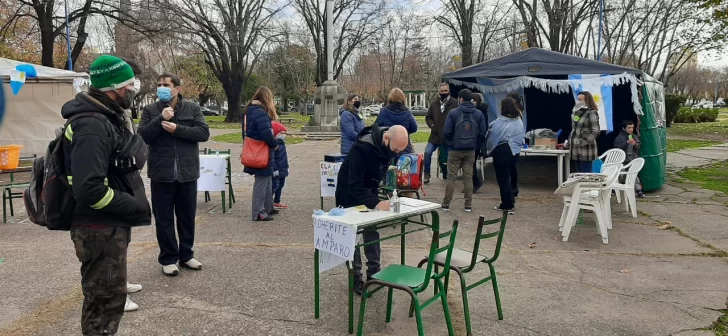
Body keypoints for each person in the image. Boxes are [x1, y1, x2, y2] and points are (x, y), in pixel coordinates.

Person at [62, 55, 151, 335]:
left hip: (107, 224)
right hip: (98, 227)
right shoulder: (92, 125)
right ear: (114, 87)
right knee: (103, 301)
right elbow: (89, 188)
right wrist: (131, 205)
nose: (131, 92)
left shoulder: (104, 117)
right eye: (128, 86)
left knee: (109, 297)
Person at [138, 72, 209, 276]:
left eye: (166, 84)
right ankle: (168, 258)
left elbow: (203, 133)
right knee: (164, 218)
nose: (162, 87)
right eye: (159, 84)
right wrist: (161, 119)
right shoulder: (150, 110)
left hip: (187, 172)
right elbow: (143, 135)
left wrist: (177, 129)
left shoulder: (192, 108)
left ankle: (186, 254)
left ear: (177, 89)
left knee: (187, 216)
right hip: (162, 173)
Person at [335, 124, 409, 295]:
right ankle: (356, 278)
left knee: (372, 231)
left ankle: (374, 273)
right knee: (352, 238)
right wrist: (376, 203)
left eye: (400, 151)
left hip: (369, 190)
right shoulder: (362, 148)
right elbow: (354, 186)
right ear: (386, 138)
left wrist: (387, 194)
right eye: (395, 150)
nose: (396, 154)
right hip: (348, 193)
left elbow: (377, 176)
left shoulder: (389, 148)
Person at [441, 89, 487, 212]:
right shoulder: (478, 114)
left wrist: (451, 143)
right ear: (471, 99)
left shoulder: (453, 113)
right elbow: (483, 132)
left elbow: (446, 131)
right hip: (470, 150)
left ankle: (446, 204)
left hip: (454, 149)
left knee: (451, 177)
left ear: (460, 99)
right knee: (468, 177)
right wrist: (475, 145)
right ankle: (468, 205)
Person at [243, 87, 280, 221]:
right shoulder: (260, 113)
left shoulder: (250, 111)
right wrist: (275, 143)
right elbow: (266, 134)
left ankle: (268, 206)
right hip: (261, 152)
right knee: (262, 181)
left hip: (255, 150)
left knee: (267, 179)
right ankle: (259, 211)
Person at [486, 97, 525, 215]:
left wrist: (488, 150)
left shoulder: (499, 122)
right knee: (508, 177)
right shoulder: (519, 120)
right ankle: (510, 199)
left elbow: (492, 137)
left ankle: (507, 205)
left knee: (502, 179)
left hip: (502, 151)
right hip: (515, 151)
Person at [424, 83, 459, 183]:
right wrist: (432, 125)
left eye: (445, 91)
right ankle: (426, 174)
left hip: (448, 136)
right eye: (442, 91)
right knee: (427, 152)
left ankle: (448, 175)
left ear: (449, 91)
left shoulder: (455, 103)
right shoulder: (434, 104)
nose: (444, 93)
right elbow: (428, 117)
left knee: (448, 156)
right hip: (435, 135)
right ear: (439, 92)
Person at [374, 88, 418, 153]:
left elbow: (375, 128)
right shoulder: (407, 112)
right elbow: (414, 128)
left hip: (387, 147)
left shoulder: (384, 111)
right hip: (404, 147)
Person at [567, 91, 600, 173]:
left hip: (586, 149)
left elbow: (595, 131)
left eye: (580, 99)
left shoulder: (591, 112)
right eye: (577, 99)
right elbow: (575, 129)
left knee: (585, 175)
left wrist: (583, 142)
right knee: (578, 174)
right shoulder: (576, 113)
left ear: (586, 101)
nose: (578, 101)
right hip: (575, 148)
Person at [614, 119, 645, 197]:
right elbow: (617, 149)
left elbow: (638, 146)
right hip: (622, 161)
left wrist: (635, 144)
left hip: (632, 160)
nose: (631, 129)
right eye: (629, 128)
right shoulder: (619, 137)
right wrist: (626, 143)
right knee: (620, 174)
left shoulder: (634, 136)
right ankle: (615, 189)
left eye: (632, 127)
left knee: (633, 174)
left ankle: (638, 190)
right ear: (624, 128)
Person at [472, 93, 490, 192]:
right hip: (476, 141)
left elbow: (483, 128)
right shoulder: (481, 111)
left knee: (470, 163)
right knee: (471, 163)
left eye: (473, 100)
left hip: (477, 141)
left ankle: (476, 182)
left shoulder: (480, 112)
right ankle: (473, 182)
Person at [271, 122, 290, 209]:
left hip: (283, 169)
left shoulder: (282, 144)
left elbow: (284, 157)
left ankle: (277, 201)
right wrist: (274, 169)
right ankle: (269, 201)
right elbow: (273, 158)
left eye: (284, 133)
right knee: (275, 186)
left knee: (280, 186)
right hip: (277, 169)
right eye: (281, 133)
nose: (283, 135)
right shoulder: (275, 145)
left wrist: (286, 167)